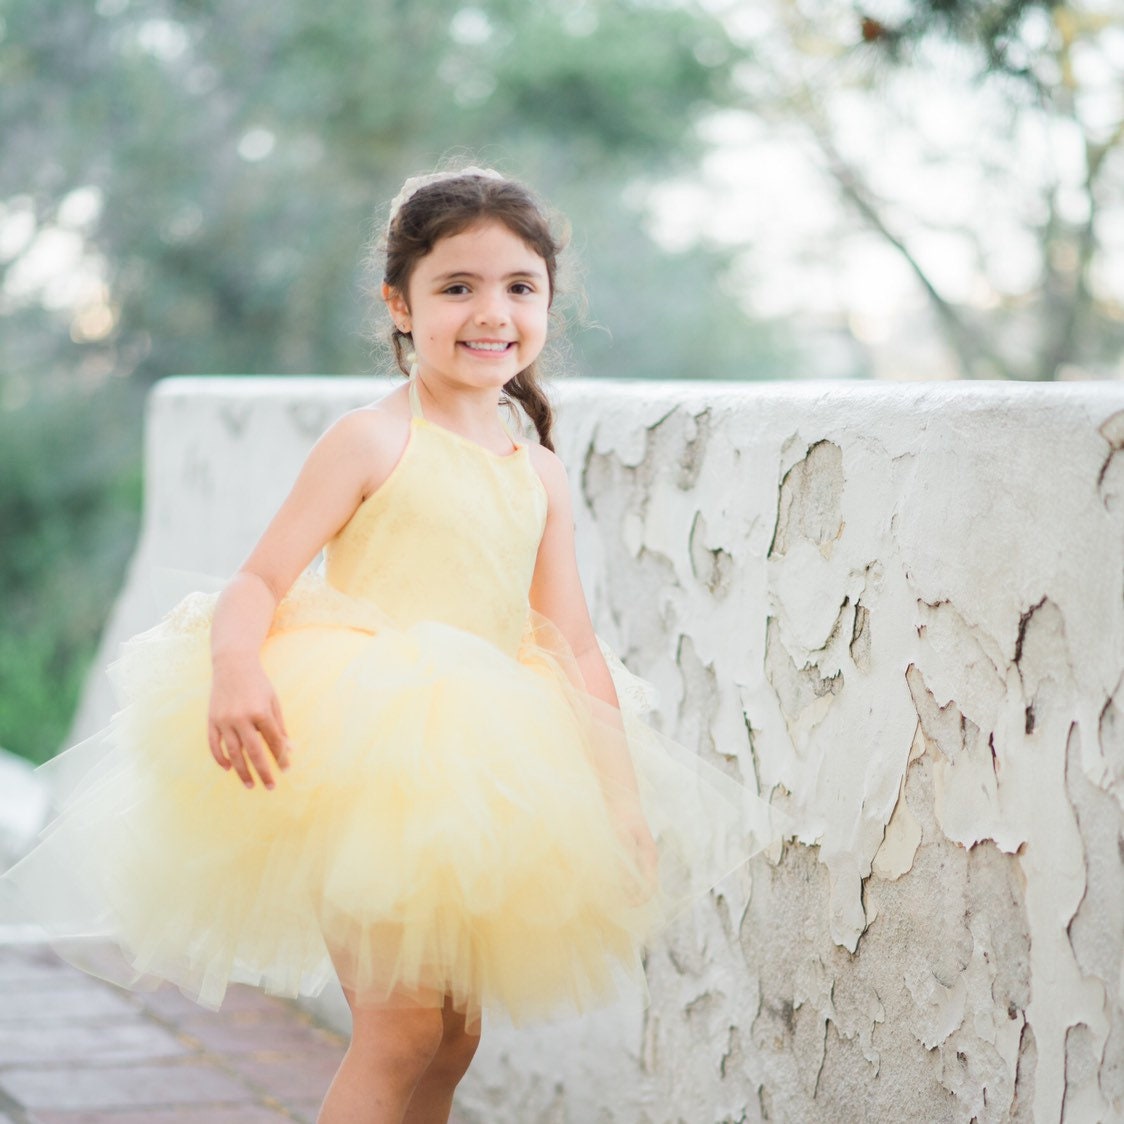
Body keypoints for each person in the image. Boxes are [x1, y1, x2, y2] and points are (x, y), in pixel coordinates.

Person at [0, 167, 777, 1124]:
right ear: (400, 304)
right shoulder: (369, 441)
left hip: (484, 772)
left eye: (518, 288)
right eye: (457, 287)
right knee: (400, 1033)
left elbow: (572, 645)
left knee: (454, 1041)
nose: (490, 312)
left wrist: (620, 803)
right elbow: (257, 581)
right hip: (364, 757)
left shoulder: (536, 471)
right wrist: (236, 667)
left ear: (545, 305)